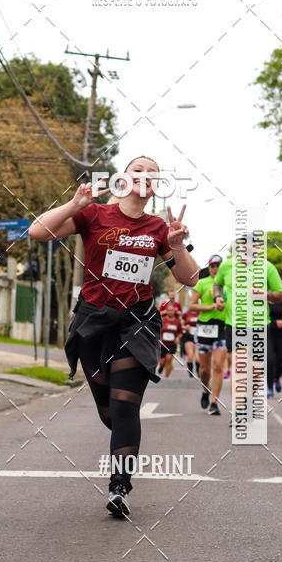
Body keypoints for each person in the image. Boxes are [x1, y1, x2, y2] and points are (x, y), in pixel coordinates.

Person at [29, 155, 199, 517]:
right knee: (110, 412)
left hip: (136, 323)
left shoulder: (158, 229)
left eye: (154, 174)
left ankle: (119, 488)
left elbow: (190, 279)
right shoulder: (95, 215)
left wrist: (178, 245)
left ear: (157, 186)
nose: (145, 176)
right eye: (139, 170)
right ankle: (118, 429)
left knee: (125, 405)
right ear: (124, 177)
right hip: (94, 322)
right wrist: (75, 204)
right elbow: (37, 232)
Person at [213, 237, 282, 426]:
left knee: (254, 371)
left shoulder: (268, 268)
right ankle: (239, 411)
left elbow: (281, 295)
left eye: (254, 244)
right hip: (234, 325)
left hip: (259, 326)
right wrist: (218, 297)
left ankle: (250, 402)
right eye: (244, 244)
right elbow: (217, 284)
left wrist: (264, 294)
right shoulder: (227, 266)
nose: (249, 248)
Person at [188, 254, 227, 416]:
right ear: (209, 268)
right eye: (213, 266)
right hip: (205, 327)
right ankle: (205, 390)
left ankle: (214, 402)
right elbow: (192, 306)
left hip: (223, 327)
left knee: (218, 366)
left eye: (219, 265)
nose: (216, 268)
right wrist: (210, 307)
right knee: (204, 369)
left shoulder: (229, 284)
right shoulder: (202, 283)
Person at [268, 294, 282, 396]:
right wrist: (274, 322)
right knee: (270, 359)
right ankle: (269, 387)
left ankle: (277, 377)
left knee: (281, 359)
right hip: (268, 333)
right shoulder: (263, 300)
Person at [159, 302, 183, 377]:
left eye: (172, 310)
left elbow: (181, 332)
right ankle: (162, 366)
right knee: (162, 361)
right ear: (166, 311)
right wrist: (159, 339)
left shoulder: (177, 322)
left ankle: (167, 377)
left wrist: (178, 338)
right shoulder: (162, 320)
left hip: (172, 344)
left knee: (169, 359)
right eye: (169, 310)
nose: (170, 312)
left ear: (174, 311)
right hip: (163, 344)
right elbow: (157, 330)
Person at [181, 304, 200, 377]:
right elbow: (181, 326)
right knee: (190, 355)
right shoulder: (186, 314)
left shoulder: (201, 314)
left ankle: (198, 371)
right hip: (189, 337)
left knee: (198, 358)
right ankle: (191, 373)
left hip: (198, 337)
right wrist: (185, 327)